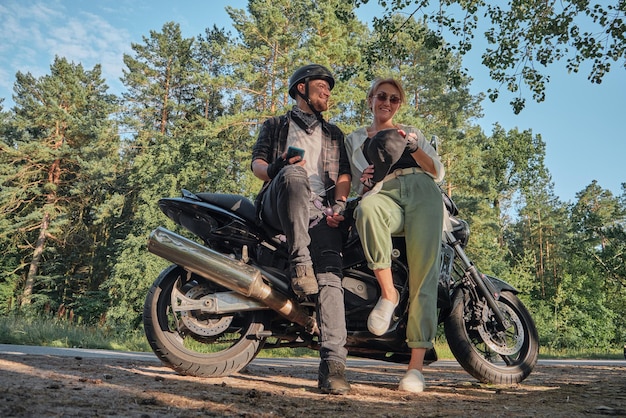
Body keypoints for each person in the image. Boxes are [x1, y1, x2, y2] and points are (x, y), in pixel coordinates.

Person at [251, 64, 352, 395]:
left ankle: (334, 366)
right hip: (277, 201)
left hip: (318, 211)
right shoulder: (276, 125)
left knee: (332, 275)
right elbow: (258, 165)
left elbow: (342, 178)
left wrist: (339, 206)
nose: (327, 92)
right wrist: (277, 167)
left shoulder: (335, 134)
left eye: (329, 88)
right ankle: (299, 261)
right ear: (300, 89)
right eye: (321, 86)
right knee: (295, 175)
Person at [344, 78, 445, 393]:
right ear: (370, 100)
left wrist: (413, 147)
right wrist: (365, 180)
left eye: (394, 98)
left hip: (422, 190)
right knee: (367, 210)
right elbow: (360, 185)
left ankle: (415, 368)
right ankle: (389, 294)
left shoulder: (412, 132)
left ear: (400, 104)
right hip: (383, 192)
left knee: (424, 276)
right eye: (381, 96)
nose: (387, 102)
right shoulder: (354, 139)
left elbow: (436, 170)